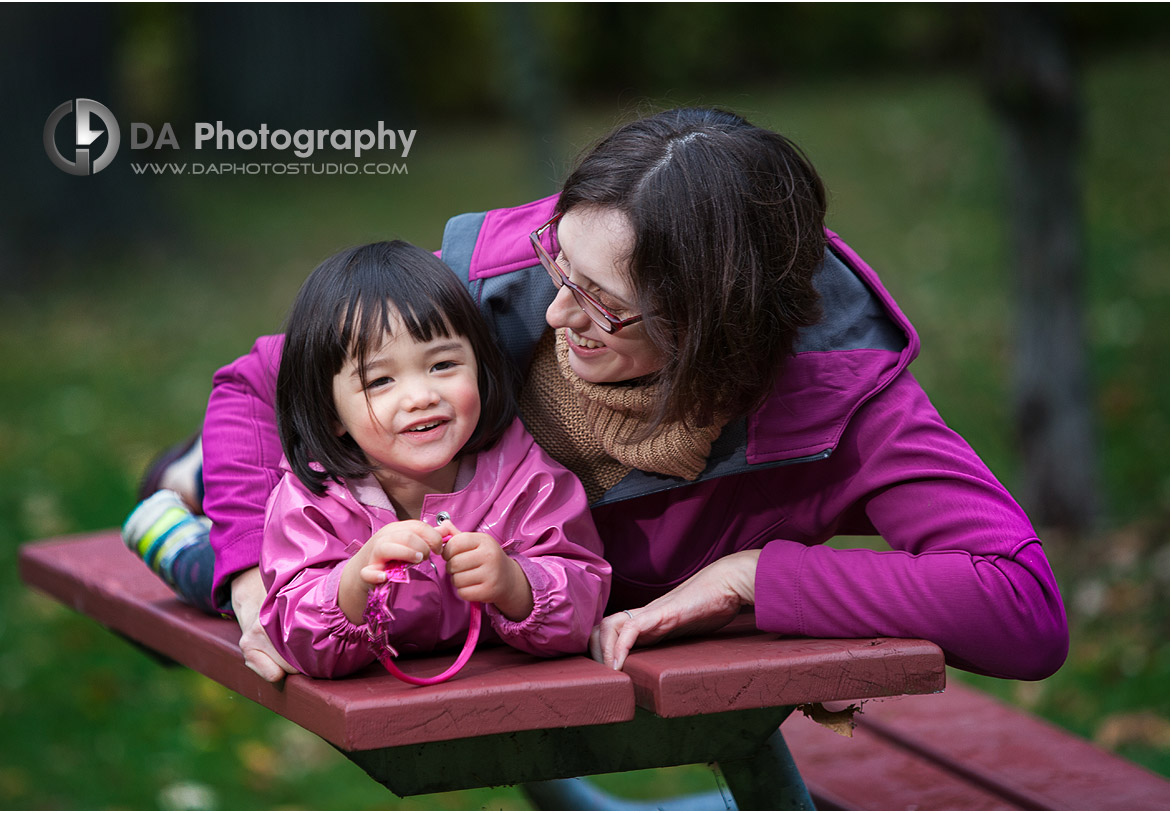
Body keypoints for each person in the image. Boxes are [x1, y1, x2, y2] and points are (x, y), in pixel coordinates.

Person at [127, 106, 1069, 685]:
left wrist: (756, 578)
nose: (554, 317)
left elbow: (1021, 604)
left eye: (603, 305)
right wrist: (249, 582)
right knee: (232, 478)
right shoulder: (507, 283)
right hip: (367, 494)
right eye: (560, 265)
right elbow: (259, 380)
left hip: (510, 607)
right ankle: (191, 481)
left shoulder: (845, 401)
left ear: (712, 331)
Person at [130, 241, 611, 679]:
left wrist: (517, 584)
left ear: (481, 370)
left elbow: (583, 596)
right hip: (244, 564)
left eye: (443, 365)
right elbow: (293, 635)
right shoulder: (313, 500)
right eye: (380, 381)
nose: (421, 396)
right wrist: (352, 584)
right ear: (331, 413)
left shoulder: (527, 478)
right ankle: (171, 537)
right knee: (211, 581)